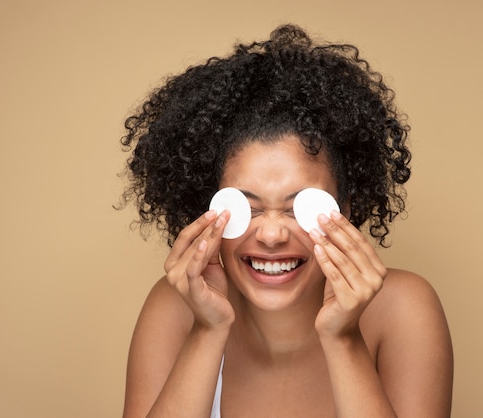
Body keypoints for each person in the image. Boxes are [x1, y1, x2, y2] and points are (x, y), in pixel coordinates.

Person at [119, 24, 453, 418]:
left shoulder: (403, 309)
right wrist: (207, 330)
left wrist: (343, 338)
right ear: (207, 212)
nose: (273, 234)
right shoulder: (174, 308)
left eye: (301, 208)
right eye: (246, 207)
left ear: (346, 208)